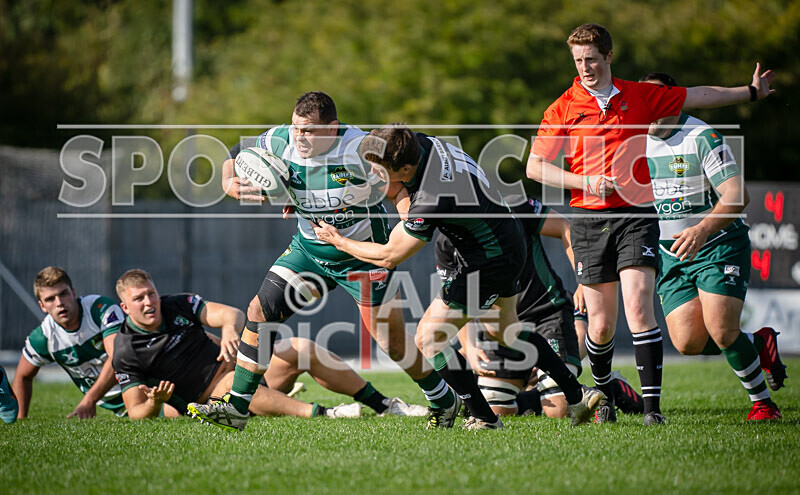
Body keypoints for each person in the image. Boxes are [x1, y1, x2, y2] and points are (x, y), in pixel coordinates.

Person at [525, 23, 776, 424]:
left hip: (637, 217)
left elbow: (698, 95)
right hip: (589, 219)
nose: (585, 67)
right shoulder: (562, 108)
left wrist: (748, 93)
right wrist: (584, 181)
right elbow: (535, 167)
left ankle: (651, 410)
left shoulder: (639, 96)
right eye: (577, 61)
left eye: (591, 59)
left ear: (608, 57)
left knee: (640, 307)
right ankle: (605, 390)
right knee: (603, 326)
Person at [193, 92, 458, 431]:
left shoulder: (362, 148)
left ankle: (443, 400)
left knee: (390, 341)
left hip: (363, 255)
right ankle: (237, 408)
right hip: (311, 251)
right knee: (260, 311)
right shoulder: (279, 139)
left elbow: (401, 184)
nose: (299, 138)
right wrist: (229, 181)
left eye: (309, 131)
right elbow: (236, 154)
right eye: (295, 128)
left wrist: (407, 218)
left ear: (333, 129)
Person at [314, 125, 605, 430]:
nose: (372, 175)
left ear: (405, 169)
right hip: (507, 239)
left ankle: (483, 417)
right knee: (506, 333)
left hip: (488, 258)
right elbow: (399, 195)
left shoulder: (432, 195)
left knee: (429, 337)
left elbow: (390, 255)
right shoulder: (418, 143)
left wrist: (339, 241)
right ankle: (577, 395)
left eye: (379, 170)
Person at [640, 72, 785, 421]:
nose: (651, 113)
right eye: (647, 105)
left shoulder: (702, 136)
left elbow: (738, 196)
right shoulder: (633, 139)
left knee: (721, 330)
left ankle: (763, 405)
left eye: (660, 104)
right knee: (688, 343)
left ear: (675, 102)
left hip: (717, 242)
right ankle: (757, 343)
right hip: (670, 252)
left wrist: (703, 228)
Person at [113, 269, 416, 426]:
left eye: (150, 294)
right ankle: (324, 413)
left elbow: (230, 314)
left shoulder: (174, 304)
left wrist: (230, 331)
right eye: (139, 299)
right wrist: (156, 402)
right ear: (125, 307)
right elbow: (136, 411)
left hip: (246, 370)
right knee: (235, 383)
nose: (149, 302)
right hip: (215, 394)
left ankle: (383, 404)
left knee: (301, 346)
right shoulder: (127, 349)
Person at [442, 197, 643, 417]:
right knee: (497, 408)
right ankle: (535, 394)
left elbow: (565, 227)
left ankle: (610, 387)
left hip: (547, 314)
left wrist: (582, 278)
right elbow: (457, 301)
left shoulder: (512, 206)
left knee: (559, 408)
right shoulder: (445, 242)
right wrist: (470, 347)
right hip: (501, 326)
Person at [12, 266, 125, 419]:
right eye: (50, 299)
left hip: (141, 385)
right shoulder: (44, 337)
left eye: (63, 294)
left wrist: (89, 400)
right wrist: (20, 419)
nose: (59, 303)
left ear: (74, 293)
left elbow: (117, 358)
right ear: (42, 306)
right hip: (120, 406)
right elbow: (22, 376)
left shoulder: (99, 309)